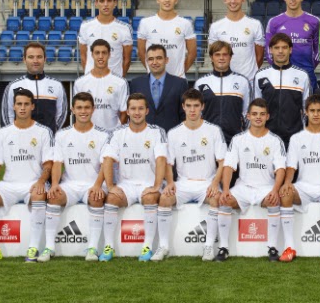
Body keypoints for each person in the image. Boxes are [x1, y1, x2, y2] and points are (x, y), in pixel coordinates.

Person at [0, 88, 54, 263]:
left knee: (39, 194)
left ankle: (33, 248)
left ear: (32, 106)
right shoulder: (3, 133)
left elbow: (48, 163)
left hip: (33, 184)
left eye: (26, 104)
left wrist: (41, 181)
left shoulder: (43, 131)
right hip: (9, 185)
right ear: (13, 106)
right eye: (19, 104)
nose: (22, 108)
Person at [155, 89, 228, 261]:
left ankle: (208, 246)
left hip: (206, 183)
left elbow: (222, 162)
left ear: (202, 106)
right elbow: (168, 163)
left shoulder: (213, 130)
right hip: (183, 183)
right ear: (183, 107)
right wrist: (170, 182)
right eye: (189, 106)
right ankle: (163, 246)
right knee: (164, 198)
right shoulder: (174, 133)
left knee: (216, 199)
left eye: (196, 106)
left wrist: (214, 183)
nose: (192, 110)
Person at [97, 93, 169, 262]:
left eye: (141, 109)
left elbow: (161, 160)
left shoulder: (157, 132)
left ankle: (147, 247)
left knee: (151, 197)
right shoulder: (117, 133)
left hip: (148, 183)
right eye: (133, 109)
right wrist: (111, 186)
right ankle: (109, 247)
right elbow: (107, 159)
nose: (137, 112)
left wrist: (156, 186)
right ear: (127, 111)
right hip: (126, 185)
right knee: (112, 198)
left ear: (147, 111)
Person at [40, 92, 111, 262]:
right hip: (70, 184)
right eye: (79, 107)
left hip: (92, 184)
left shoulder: (104, 135)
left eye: (87, 107)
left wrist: (97, 185)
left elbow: (105, 165)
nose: (83, 111)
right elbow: (57, 163)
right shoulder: (62, 135)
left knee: (96, 197)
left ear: (93, 109)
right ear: (72, 110)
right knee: (54, 196)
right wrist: (55, 184)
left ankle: (92, 248)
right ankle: (49, 247)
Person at [216, 99, 288, 262]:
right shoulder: (238, 139)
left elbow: (280, 169)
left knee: (274, 201)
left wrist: (275, 190)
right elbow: (229, 166)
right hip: (243, 187)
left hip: (266, 187)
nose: (258, 117)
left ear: (267, 116)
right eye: (254, 114)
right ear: (248, 116)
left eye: (262, 114)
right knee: (225, 201)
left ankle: (272, 247)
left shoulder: (275, 140)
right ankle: (224, 247)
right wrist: (225, 189)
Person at [278, 95, 320, 263]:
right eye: (312, 111)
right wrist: (287, 183)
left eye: (319, 111)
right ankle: (289, 247)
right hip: (303, 187)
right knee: (285, 194)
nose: (315, 114)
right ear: (305, 113)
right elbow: (291, 167)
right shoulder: (296, 138)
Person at [255, 33, 310, 147]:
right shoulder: (261, 75)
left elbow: (307, 110)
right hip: (267, 137)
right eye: (276, 48)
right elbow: (255, 109)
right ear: (270, 50)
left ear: (290, 50)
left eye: (284, 47)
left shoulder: (302, 76)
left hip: (294, 138)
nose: (280, 51)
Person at [265, 0, 320, 90]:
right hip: (281, 75)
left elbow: (318, 52)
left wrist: (305, 69)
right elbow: (269, 52)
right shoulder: (274, 22)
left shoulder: (314, 21)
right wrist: (282, 68)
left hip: (307, 75)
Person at [194, 41, 253, 144]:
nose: (221, 58)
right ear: (211, 57)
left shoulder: (243, 82)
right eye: (217, 54)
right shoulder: (201, 83)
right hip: (208, 139)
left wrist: (242, 133)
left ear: (230, 57)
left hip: (235, 139)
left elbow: (248, 113)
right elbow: (197, 113)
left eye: (225, 54)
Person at [1, 41, 67, 132]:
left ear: (45, 59)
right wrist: (16, 133)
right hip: (22, 138)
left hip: (48, 139)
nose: (35, 61)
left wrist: (50, 133)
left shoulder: (57, 85)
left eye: (39, 57)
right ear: (24, 59)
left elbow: (61, 114)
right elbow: (8, 115)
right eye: (31, 57)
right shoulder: (13, 86)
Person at [137, 0, 197, 78]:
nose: (167, 0)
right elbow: (141, 52)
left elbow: (192, 53)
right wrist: (151, 71)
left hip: (178, 78)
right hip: (154, 79)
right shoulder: (145, 23)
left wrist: (180, 73)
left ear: (176, 0)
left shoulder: (185, 24)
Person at [209, 0, 265, 82]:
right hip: (225, 80)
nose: (233, 1)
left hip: (249, 81)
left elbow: (259, 56)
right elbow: (214, 56)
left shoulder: (255, 25)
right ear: (225, 0)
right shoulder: (215, 27)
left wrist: (249, 75)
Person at [129, 45, 190, 132]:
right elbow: (132, 114)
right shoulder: (136, 84)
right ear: (147, 61)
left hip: (171, 136)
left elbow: (185, 115)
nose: (155, 62)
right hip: (143, 135)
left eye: (159, 58)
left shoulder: (180, 84)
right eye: (151, 59)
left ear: (166, 60)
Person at [74, 39, 129, 130]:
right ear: (92, 55)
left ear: (109, 55)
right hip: (88, 134)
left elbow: (124, 113)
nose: (100, 56)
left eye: (104, 53)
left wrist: (116, 133)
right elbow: (77, 112)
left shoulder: (120, 83)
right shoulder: (80, 83)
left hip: (111, 135)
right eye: (97, 53)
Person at [79, 0, 133, 77]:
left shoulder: (125, 28)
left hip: (114, 81)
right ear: (96, 3)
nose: (105, 4)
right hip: (91, 81)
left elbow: (127, 60)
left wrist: (119, 79)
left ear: (115, 3)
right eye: (102, 1)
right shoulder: (85, 27)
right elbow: (83, 57)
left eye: (109, 1)